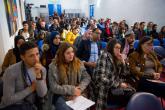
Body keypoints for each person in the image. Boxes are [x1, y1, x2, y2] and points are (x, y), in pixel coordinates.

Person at [0, 42, 47, 110]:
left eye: (37, 54)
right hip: (13, 106)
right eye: (31, 56)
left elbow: (42, 94)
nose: (36, 59)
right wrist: (30, 89)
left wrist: (39, 76)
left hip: (31, 105)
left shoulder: (42, 69)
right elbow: (7, 100)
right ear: (23, 57)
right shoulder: (11, 71)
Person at [92, 39, 135, 110]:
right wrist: (118, 84)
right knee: (132, 96)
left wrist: (123, 62)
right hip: (105, 90)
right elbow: (100, 78)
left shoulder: (117, 58)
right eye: (116, 47)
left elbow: (126, 73)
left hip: (115, 88)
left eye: (119, 48)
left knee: (133, 94)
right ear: (111, 47)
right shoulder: (105, 56)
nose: (118, 50)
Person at [48, 42, 91, 110]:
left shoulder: (78, 62)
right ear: (62, 54)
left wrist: (79, 89)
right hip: (60, 95)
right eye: (68, 53)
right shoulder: (53, 66)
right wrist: (72, 90)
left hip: (77, 92)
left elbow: (86, 77)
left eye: (72, 52)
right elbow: (54, 87)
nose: (71, 55)